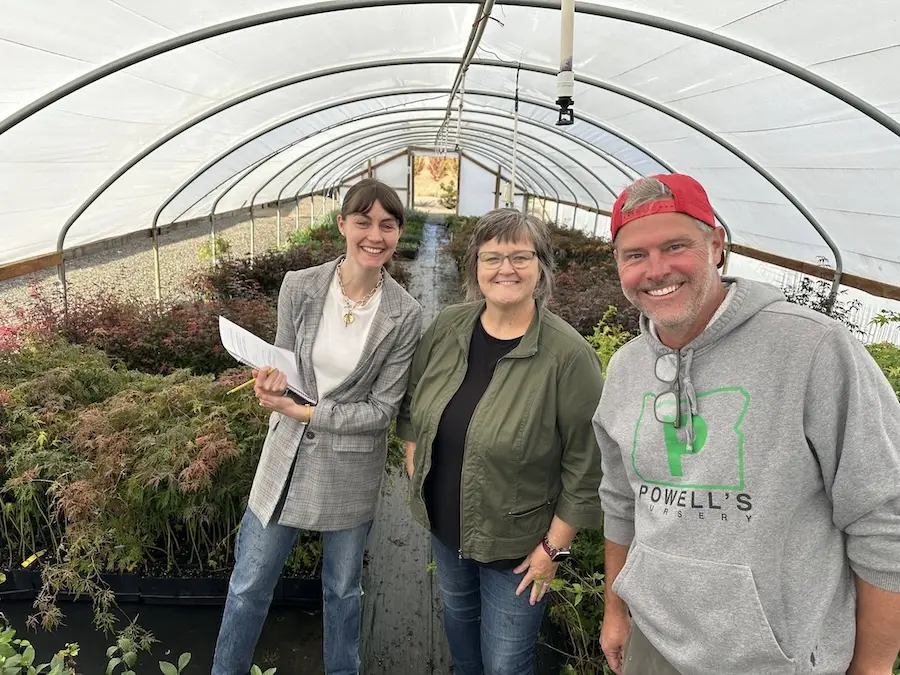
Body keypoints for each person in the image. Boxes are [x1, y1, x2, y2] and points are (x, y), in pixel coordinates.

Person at [593, 173, 900, 675]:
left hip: (776, 658)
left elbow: (883, 513)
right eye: (635, 255)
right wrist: (616, 609)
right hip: (654, 642)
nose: (657, 270)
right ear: (619, 265)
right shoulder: (627, 367)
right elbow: (621, 500)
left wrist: (872, 666)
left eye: (676, 246)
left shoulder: (813, 350)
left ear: (716, 245)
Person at [211, 179, 423, 675]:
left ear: (397, 233)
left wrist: (307, 413)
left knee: (343, 591)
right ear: (342, 225)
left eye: (387, 225)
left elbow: (381, 411)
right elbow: (287, 370)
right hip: (284, 458)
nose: (375, 235)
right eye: (364, 222)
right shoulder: (299, 286)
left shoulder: (404, 314)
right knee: (248, 583)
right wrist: (271, 389)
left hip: (350, 470)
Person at [396, 208, 604, 675]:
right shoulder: (449, 326)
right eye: (492, 257)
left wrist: (552, 550)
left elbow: (585, 466)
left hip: (518, 551)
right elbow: (411, 399)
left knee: (507, 662)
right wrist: (415, 456)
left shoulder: (568, 357)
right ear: (475, 267)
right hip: (445, 531)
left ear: (542, 268)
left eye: (519, 257)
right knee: (460, 633)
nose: (505, 269)